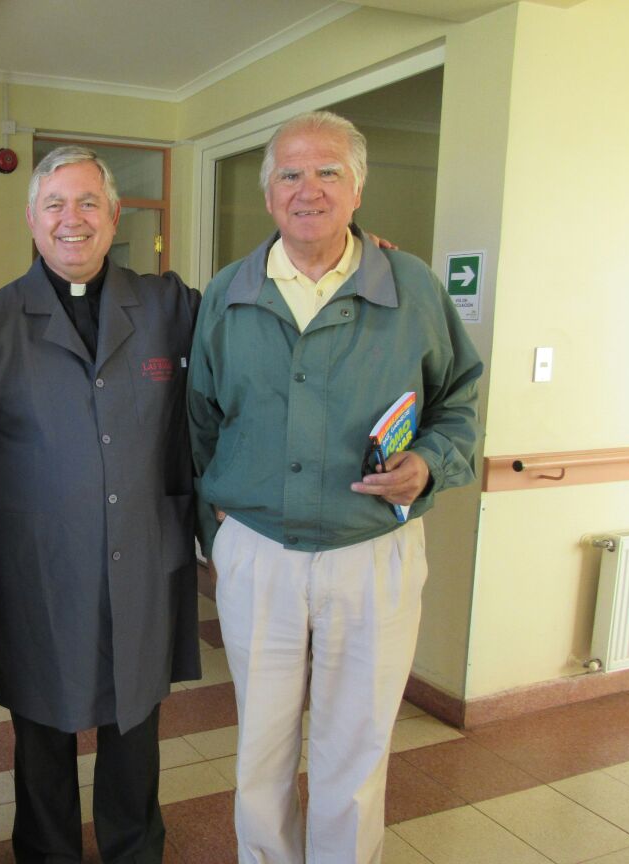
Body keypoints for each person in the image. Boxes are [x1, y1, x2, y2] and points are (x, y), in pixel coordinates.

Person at [187, 111, 482, 864]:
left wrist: (430, 462)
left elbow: (458, 402)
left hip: (373, 552)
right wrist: (221, 532)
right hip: (261, 552)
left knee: (356, 749)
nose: (308, 189)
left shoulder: (410, 287)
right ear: (268, 195)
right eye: (290, 174)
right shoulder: (229, 293)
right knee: (262, 751)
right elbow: (200, 419)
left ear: (357, 190)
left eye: (328, 173)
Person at [0, 146, 201, 863]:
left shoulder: (170, 308)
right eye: (55, 204)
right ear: (31, 219)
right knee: (42, 732)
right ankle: (47, 853)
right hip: (38, 570)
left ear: (115, 216)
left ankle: (133, 850)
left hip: (141, 560)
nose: (71, 219)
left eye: (88, 203)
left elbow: (251, 315)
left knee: (135, 728)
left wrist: (343, 251)